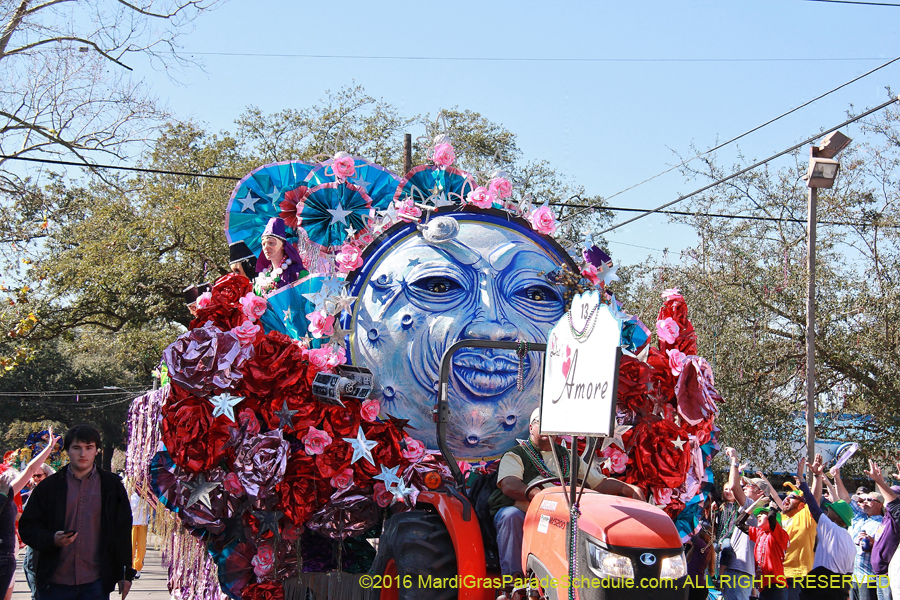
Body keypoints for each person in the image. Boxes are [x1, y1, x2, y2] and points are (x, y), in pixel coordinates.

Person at [487, 409, 643, 588]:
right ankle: (514, 584)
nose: (546, 428)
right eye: (540, 422)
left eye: (551, 424)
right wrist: (542, 499)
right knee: (509, 515)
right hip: (528, 516)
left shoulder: (568, 457)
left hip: (562, 516)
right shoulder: (516, 454)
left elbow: (599, 483)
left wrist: (627, 488)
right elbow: (509, 485)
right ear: (531, 428)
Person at [19, 425, 135, 600]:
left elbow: (122, 531)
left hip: (96, 583)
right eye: (76, 448)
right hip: (54, 583)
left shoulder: (111, 487)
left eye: (89, 448)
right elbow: (28, 527)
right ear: (67, 451)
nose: (83, 454)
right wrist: (51, 539)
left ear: (97, 450)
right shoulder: (49, 487)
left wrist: (125, 573)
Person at [0, 430, 61, 600]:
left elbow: (30, 469)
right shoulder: (6, 493)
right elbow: (30, 470)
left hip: (8, 555)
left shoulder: (8, 492)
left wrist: (49, 448)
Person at [796, 456, 855, 600]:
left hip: (821, 585)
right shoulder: (850, 540)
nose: (826, 511)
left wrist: (802, 481)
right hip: (840, 587)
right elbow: (848, 574)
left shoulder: (830, 527)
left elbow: (813, 505)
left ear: (837, 516)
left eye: (829, 510)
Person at [831, 466, 883, 600]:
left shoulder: (884, 523)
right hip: (854, 576)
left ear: (880, 504)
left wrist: (873, 543)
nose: (865, 502)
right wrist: (837, 477)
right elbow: (845, 499)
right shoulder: (860, 517)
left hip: (869, 578)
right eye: (864, 500)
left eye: (870, 500)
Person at [721, 447, 765, 600]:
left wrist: (734, 459)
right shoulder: (762, 514)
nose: (745, 487)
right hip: (745, 571)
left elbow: (734, 487)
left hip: (738, 570)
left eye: (750, 486)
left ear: (760, 493)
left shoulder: (754, 509)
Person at [735, 502, 790, 600]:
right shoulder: (760, 533)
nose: (758, 516)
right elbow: (739, 523)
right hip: (763, 588)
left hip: (776, 586)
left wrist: (773, 508)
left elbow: (772, 519)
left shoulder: (780, 535)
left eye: (763, 513)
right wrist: (754, 506)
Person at [863, 459, 899, 600]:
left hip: (890, 575)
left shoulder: (896, 518)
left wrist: (879, 481)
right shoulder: (886, 517)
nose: (886, 497)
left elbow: (894, 504)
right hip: (880, 575)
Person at [23, 465, 55, 600]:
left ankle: (37, 596)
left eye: (39, 476)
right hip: (35, 535)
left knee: (33, 567)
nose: (35, 479)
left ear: (47, 475)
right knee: (28, 566)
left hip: (42, 535)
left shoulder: (50, 491)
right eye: (34, 476)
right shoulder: (36, 491)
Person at [779, 486, 817, 600]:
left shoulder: (805, 517)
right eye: (786, 496)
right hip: (776, 576)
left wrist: (816, 478)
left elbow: (815, 498)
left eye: (791, 496)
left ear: (801, 504)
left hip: (798, 576)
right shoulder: (779, 518)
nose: (786, 498)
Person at [254, 217, 304, 294]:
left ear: (282, 245)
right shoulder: (262, 278)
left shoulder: (296, 272)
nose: (266, 247)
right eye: (263, 244)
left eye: (271, 243)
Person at [129, 490, 150, 577]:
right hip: (132, 522)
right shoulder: (129, 489)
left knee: (142, 546)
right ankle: (129, 567)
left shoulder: (147, 491)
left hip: (143, 522)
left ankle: (137, 567)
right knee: (131, 546)